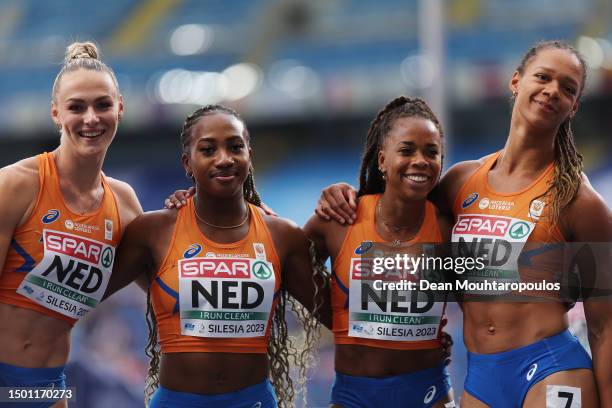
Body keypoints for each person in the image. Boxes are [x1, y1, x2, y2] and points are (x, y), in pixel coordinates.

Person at [316, 41, 612, 407]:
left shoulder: (580, 201)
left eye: (568, 88)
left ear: (574, 106)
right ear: (516, 82)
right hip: (482, 378)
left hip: (551, 366)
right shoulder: (460, 182)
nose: (553, 90)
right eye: (543, 77)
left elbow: (605, 327)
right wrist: (345, 194)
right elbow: (401, 229)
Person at [104, 104, 328, 408]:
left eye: (235, 147)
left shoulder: (281, 235)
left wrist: (333, 220)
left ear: (249, 154)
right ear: (187, 162)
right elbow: (85, 293)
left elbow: (339, 313)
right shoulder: (153, 231)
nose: (224, 159)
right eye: (208, 150)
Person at [0, 41, 142, 407]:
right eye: (76, 107)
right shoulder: (18, 184)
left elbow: (167, 279)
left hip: (48, 384)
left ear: (120, 109)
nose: (91, 118)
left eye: (103, 105)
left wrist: (239, 213)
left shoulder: (123, 204)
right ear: (55, 114)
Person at [302, 96, 454, 408]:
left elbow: (489, 295)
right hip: (354, 397)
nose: (420, 160)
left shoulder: (449, 229)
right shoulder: (339, 220)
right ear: (382, 160)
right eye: (406, 150)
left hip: (430, 393)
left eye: (431, 152)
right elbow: (282, 262)